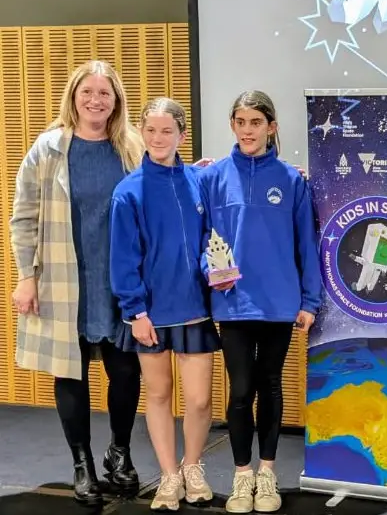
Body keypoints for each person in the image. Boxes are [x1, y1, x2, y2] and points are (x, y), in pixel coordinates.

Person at [9, 60, 145, 506]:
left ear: (116, 101)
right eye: (87, 92)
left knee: (125, 369)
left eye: (104, 93)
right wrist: (25, 277)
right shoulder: (48, 149)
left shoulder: (131, 148)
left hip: (118, 280)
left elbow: (163, 191)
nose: (95, 100)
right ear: (74, 96)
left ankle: (118, 453)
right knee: (71, 373)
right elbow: (23, 217)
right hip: (65, 279)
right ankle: (82, 464)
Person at [197, 90, 322, 514]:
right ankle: (241, 476)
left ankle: (267, 476)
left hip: (279, 304)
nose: (247, 130)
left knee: (270, 386)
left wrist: (309, 299)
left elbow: (307, 243)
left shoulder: (291, 180)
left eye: (256, 123)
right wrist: (208, 269)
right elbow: (203, 240)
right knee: (239, 391)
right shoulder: (212, 178)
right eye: (240, 122)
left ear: (272, 127)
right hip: (233, 305)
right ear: (232, 125)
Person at [109, 97, 219, 511]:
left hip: (195, 307)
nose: (158, 138)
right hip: (149, 314)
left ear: (181, 136)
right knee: (158, 395)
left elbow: (212, 237)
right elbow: (123, 259)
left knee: (200, 401)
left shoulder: (198, 181)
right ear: (142, 133)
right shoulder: (128, 193)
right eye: (151, 130)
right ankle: (169, 476)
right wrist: (135, 312)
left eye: (166, 131)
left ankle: (193, 467)